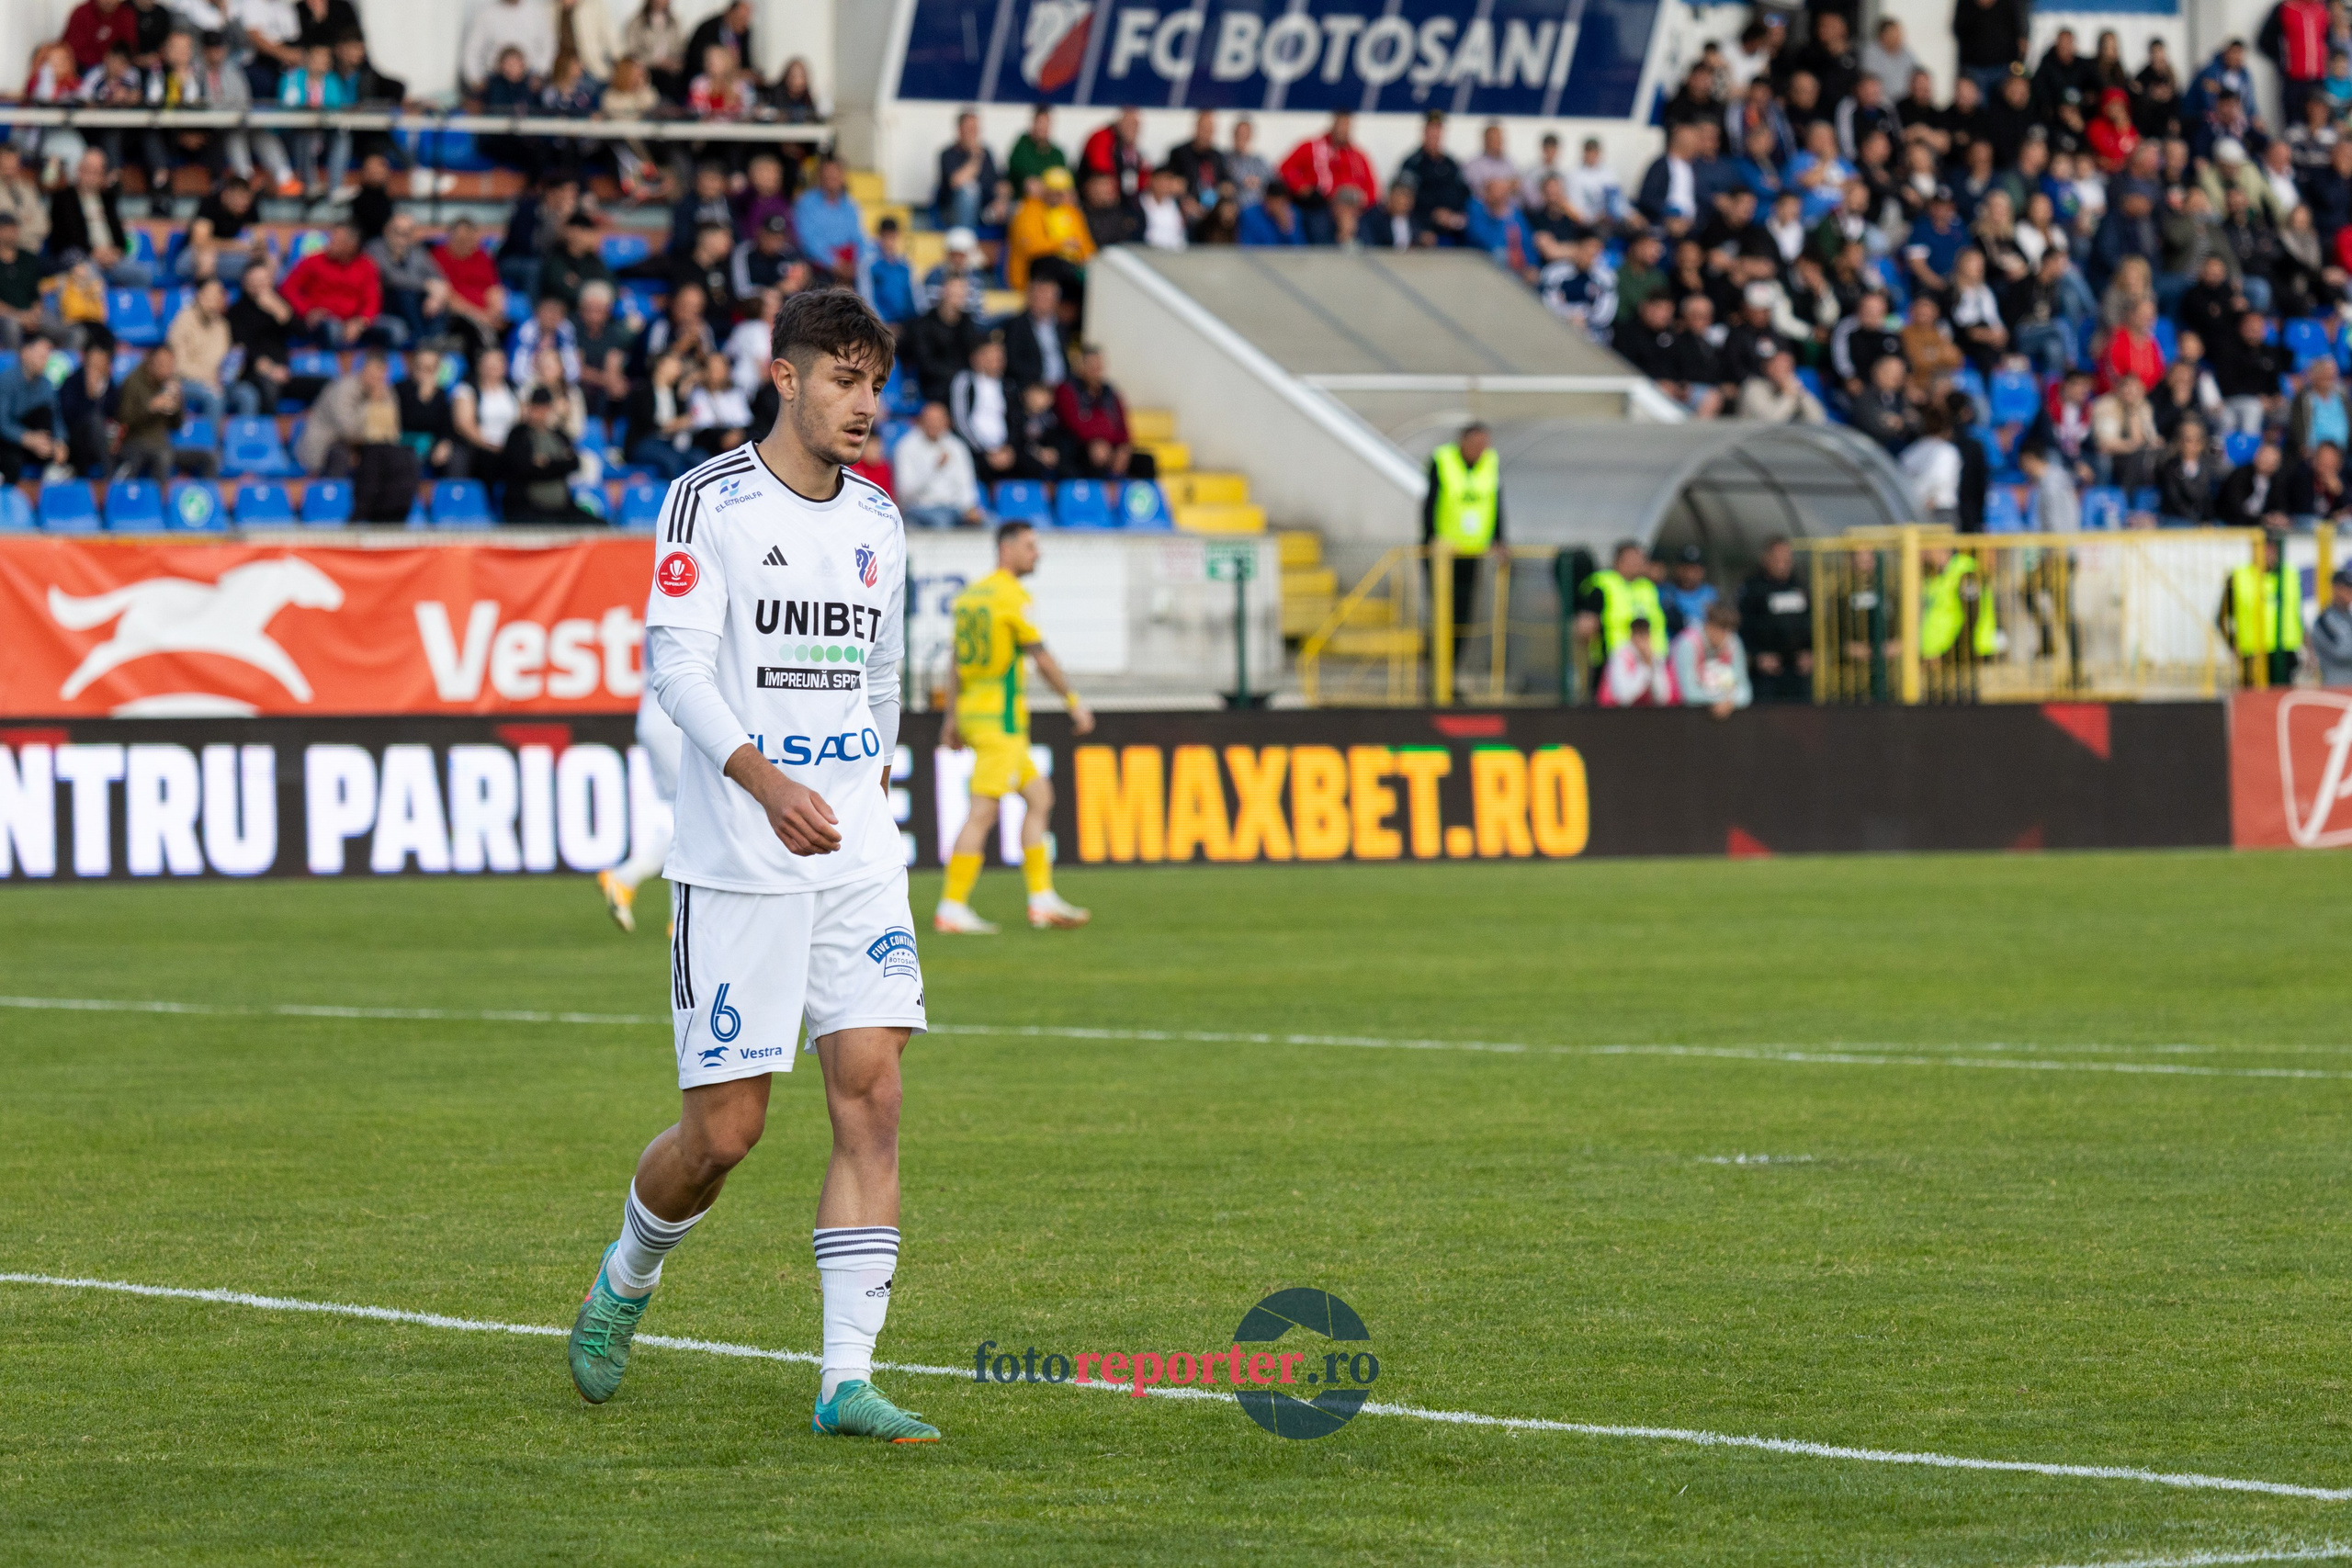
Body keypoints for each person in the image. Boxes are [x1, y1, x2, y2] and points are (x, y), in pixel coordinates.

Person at [569, 288, 939, 1446]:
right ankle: (628, 1274)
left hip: (853, 856)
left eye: (875, 383)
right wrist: (767, 784)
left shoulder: (879, 523)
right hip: (738, 856)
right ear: (783, 378)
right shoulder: (709, 503)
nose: (864, 404)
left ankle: (844, 1379)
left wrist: (856, 794)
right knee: (725, 1136)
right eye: (842, 379)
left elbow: (879, 681)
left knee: (871, 1096)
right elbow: (675, 672)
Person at [934, 521, 1095, 934]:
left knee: (1040, 796)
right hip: (999, 724)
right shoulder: (1012, 597)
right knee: (984, 813)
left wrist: (952, 717)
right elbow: (1040, 657)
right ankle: (952, 906)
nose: (1036, 553)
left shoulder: (971, 596)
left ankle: (1042, 899)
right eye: (1029, 546)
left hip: (974, 713)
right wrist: (1073, 703)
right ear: (1006, 549)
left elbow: (955, 660)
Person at [597, 659, 685, 932]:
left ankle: (625, 878)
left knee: (689, 817)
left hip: (658, 714)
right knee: (701, 816)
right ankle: (681, 916)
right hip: (676, 717)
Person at [1422, 423, 1504, 676]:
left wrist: (1499, 539)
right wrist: (1431, 538)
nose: (1481, 450)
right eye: (1477, 444)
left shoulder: (1490, 463)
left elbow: (1497, 502)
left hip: (1472, 554)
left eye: (1484, 445)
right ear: (1462, 442)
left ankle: (1450, 674)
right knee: (1442, 615)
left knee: (1463, 617)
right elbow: (1430, 502)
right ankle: (1436, 676)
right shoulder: (1443, 460)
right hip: (1444, 556)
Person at [2218, 530, 2302, 686]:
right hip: (2253, 653)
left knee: (2281, 700)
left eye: (2273, 549)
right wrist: (2233, 645)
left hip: (2285, 652)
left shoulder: (2290, 575)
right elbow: (2221, 618)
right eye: (2265, 549)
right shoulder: (2238, 577)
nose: (2269, 554)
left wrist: (2308, 650)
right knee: (2254, 702)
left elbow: (2297, 614)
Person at [280, 221, 384, 346]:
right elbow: (288, 288)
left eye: (336, 241)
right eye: (331, 239)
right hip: (324, 320)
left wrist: (361, 322)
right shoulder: (313, 261)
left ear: (351, 246)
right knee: (334, 330)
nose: (330, 244)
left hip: (355, 319)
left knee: (397, 330)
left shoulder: (367, 265)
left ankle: (376, 363)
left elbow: (372, 299)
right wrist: (307, 310)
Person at [502, 386, 594, 522]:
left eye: (544, 407)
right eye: (536, 407)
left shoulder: (559, 435)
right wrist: (560, 464)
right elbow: (523, 468)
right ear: (529, 408)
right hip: (527, 509)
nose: (540, 412)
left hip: (562, 510)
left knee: (599, 526)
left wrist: (547, 463)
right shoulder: (518, 435)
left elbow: (575, 463)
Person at [1738, 536, 1813, 702]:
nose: (1782, 565)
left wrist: (1810, 652)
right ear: (1766, 559)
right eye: (1777, 559)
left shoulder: (1800, 585)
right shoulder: (1753, 588)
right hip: (1766, 673)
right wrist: (1757, 656)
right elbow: (1743, 627)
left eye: (1787, 559)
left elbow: (1812, 622)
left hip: (1797, 671)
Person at [892, 400, 985, 529]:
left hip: (955, 509)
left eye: (938, 420)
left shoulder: (956, 446)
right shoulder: (906, 447)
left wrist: (969, 508)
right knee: (942, 523)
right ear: (921, 421)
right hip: (921, 508)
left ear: (947, 422)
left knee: (990, 524)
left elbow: (966, 483)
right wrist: (933, 468)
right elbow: (905, 493)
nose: (934, 424)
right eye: (930, 420)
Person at [1673, 602, 1751, 717]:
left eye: (1729, 631)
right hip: (1685, 716)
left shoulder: (1733, 642)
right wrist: (1718, 700)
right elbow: (1687, 692)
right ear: (1709, 625)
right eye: (1722, 630)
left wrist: (1730, 702)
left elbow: (1745, 690)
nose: (1726, 637)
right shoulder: (1688, 644)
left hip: (1724, 714)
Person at [1595, 617, 1679, 706]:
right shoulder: (1619, 655)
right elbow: (1623, 697)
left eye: (1644, 634)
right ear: (1631, 635)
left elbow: (1663, 697)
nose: (1641, 640)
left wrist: (1650, 664)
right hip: (1613, 713)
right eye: (1638, 634)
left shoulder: (1655, 656)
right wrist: (1645, 667)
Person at [2305, 567, 2352, 684]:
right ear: (2335, 589)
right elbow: (2341, 652)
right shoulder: (2324, 622)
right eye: (2345, 588)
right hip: (2335, 689)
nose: (2349, 592)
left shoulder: (2349, 618)